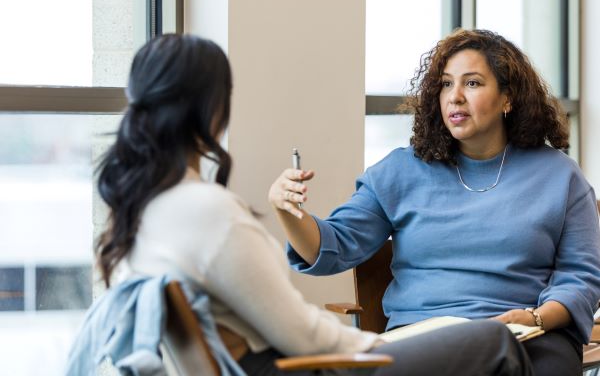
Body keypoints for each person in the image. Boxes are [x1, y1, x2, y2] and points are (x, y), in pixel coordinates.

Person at [81, 33, 534, 376]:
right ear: (213, 108)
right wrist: (376, 347)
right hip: (314, 367)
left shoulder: (143, 212)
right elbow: (302, 333)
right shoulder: (208, 212)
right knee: (496, 342)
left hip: (296, 363)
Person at [269, 29, 600, 376]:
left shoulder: (561, 177)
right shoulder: (399, 171)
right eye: (445, 84)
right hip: (426, 341)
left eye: (472, 84)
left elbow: (581, 278)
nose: (455, 97)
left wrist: (535, 317)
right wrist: (288, 211)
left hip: (532, 335)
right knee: (485, 347)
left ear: (508, 98)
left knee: (511, 352)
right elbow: (331, 248)